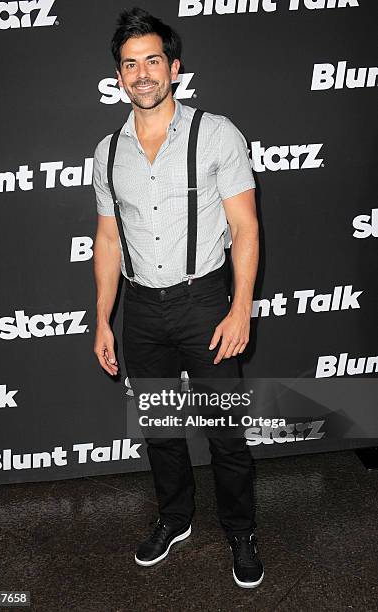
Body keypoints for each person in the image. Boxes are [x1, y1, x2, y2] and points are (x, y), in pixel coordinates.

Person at [92, 7, 264, 589]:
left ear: (174, 67)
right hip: (140, 309)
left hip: (204, 303)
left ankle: (240, 529)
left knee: (225, 431)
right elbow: (109, 237)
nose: (142, 74)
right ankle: (175, 518)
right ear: (119, 75)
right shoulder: (106, 152)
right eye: (130, 64)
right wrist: (102, 321)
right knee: (161, 427)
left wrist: (239, 308)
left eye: (152, 61)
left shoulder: (217, 133)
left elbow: (245, 227)